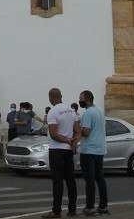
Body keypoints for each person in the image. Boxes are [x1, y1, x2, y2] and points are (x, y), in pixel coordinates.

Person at [44, 87, 79, 219]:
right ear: (61, 96)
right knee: (71, 180)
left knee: (58, 182)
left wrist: (66, 140)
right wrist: (73, 143)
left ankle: (56, 211)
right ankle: (72, 209)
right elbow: (77, 130)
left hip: (56, 150)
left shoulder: (53, 112)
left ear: (52, 98)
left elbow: (53, 134)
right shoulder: (71, 110)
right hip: (68, 151)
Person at [78, 90, 108, 216]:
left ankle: (90, 207)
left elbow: (86, 132)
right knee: (100, 178)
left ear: (87, 99)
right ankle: (103, 206)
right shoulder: (100, 111)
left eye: (81, 99)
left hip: (88, 150)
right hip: (100, 149)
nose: (79, 101)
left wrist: (77, 129)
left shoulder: (88, 113)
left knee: (89, 180)